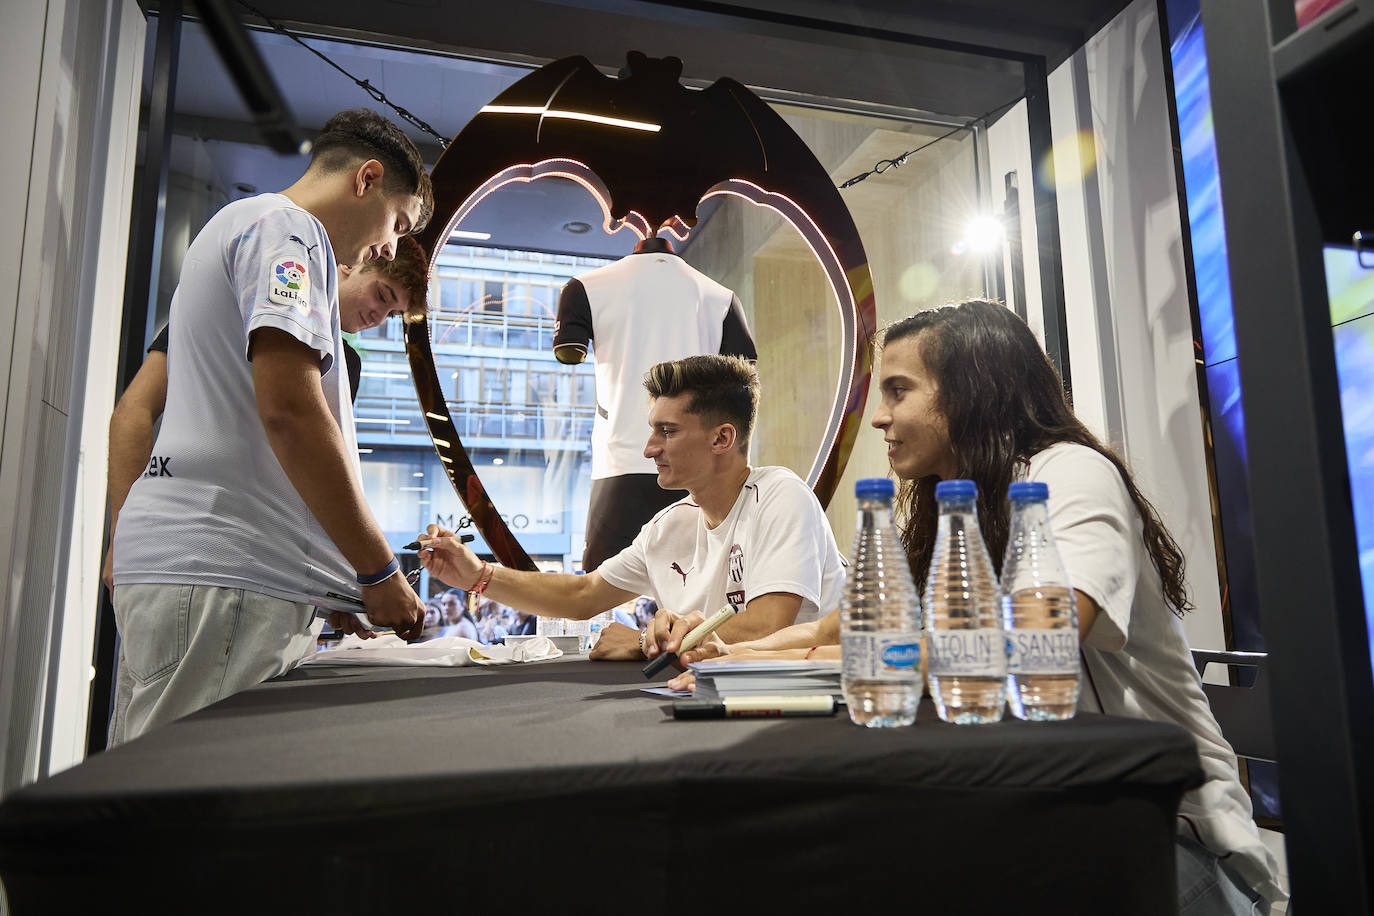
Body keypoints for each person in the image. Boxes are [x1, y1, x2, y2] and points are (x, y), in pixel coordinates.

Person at [656, 300, 1283, 914]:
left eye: (899, 391)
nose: (879, 417)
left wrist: (840, 662)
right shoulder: (955, 505)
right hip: (1043, 809)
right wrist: (736, 656)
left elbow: (1043, 635)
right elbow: (844, 627)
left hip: (1162, 834)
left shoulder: (1067, 474)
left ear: (972, 391)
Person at [109, 109, 433, 742]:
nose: (391, 247)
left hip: (198, 570)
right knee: (198, 796)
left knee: (154, 778)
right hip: (222, 575)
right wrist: (377, 571)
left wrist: (331, 579)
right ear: (366, 178)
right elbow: (289, 413)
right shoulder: (289, 233)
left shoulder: (233, 227)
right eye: (399, 223)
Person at [418, 354, 845, 658]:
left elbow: (768, 625)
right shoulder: (669, 526)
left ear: (722, 439)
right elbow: (584, 594)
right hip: (712, 690)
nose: (649, 448)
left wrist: (644, 641)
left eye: (667, 431)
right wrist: (480, 576)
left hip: (809, 703)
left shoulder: (780, 494)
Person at [102, 234, 431, 591]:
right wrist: (123, 537)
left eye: (392, 313)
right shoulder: (233, 312)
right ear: (350, 263)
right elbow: (134, 409)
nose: (378, 317)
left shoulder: (345, 365)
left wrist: (335, 583)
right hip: (191, 544)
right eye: (382, 295)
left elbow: (319, 478)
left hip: (271, 569)